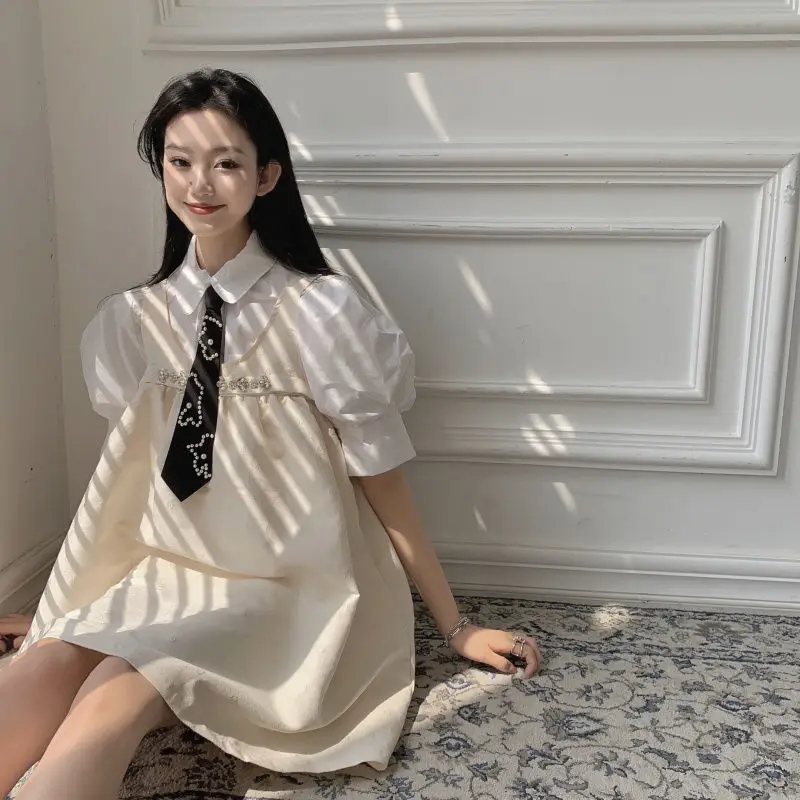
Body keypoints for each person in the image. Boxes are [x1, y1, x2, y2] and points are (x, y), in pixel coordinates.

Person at [0, 68, 540, 800]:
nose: (200, 183)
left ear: (266, 176)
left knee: (112, 689)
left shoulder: (323, 315)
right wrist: (71, 609)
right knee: (46, 662)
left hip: (288, 587)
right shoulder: (132, 323)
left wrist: (453, 627)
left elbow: (381, 477)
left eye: (225, 162)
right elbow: (126, 482)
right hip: (168, 571)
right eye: (180, 161)